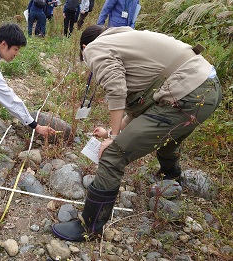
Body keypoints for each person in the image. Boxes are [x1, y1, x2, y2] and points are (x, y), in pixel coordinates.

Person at [52, 25, 222, 241]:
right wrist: (113, 129)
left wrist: (114, 139)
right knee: (169, 138)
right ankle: (171, 177)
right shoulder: (127, 39)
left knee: (113, 155)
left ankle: (90, 227)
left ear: (85, 47)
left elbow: (117, 90)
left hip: (186, 94)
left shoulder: (94, 48)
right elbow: (146, 105)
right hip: (208, 89)